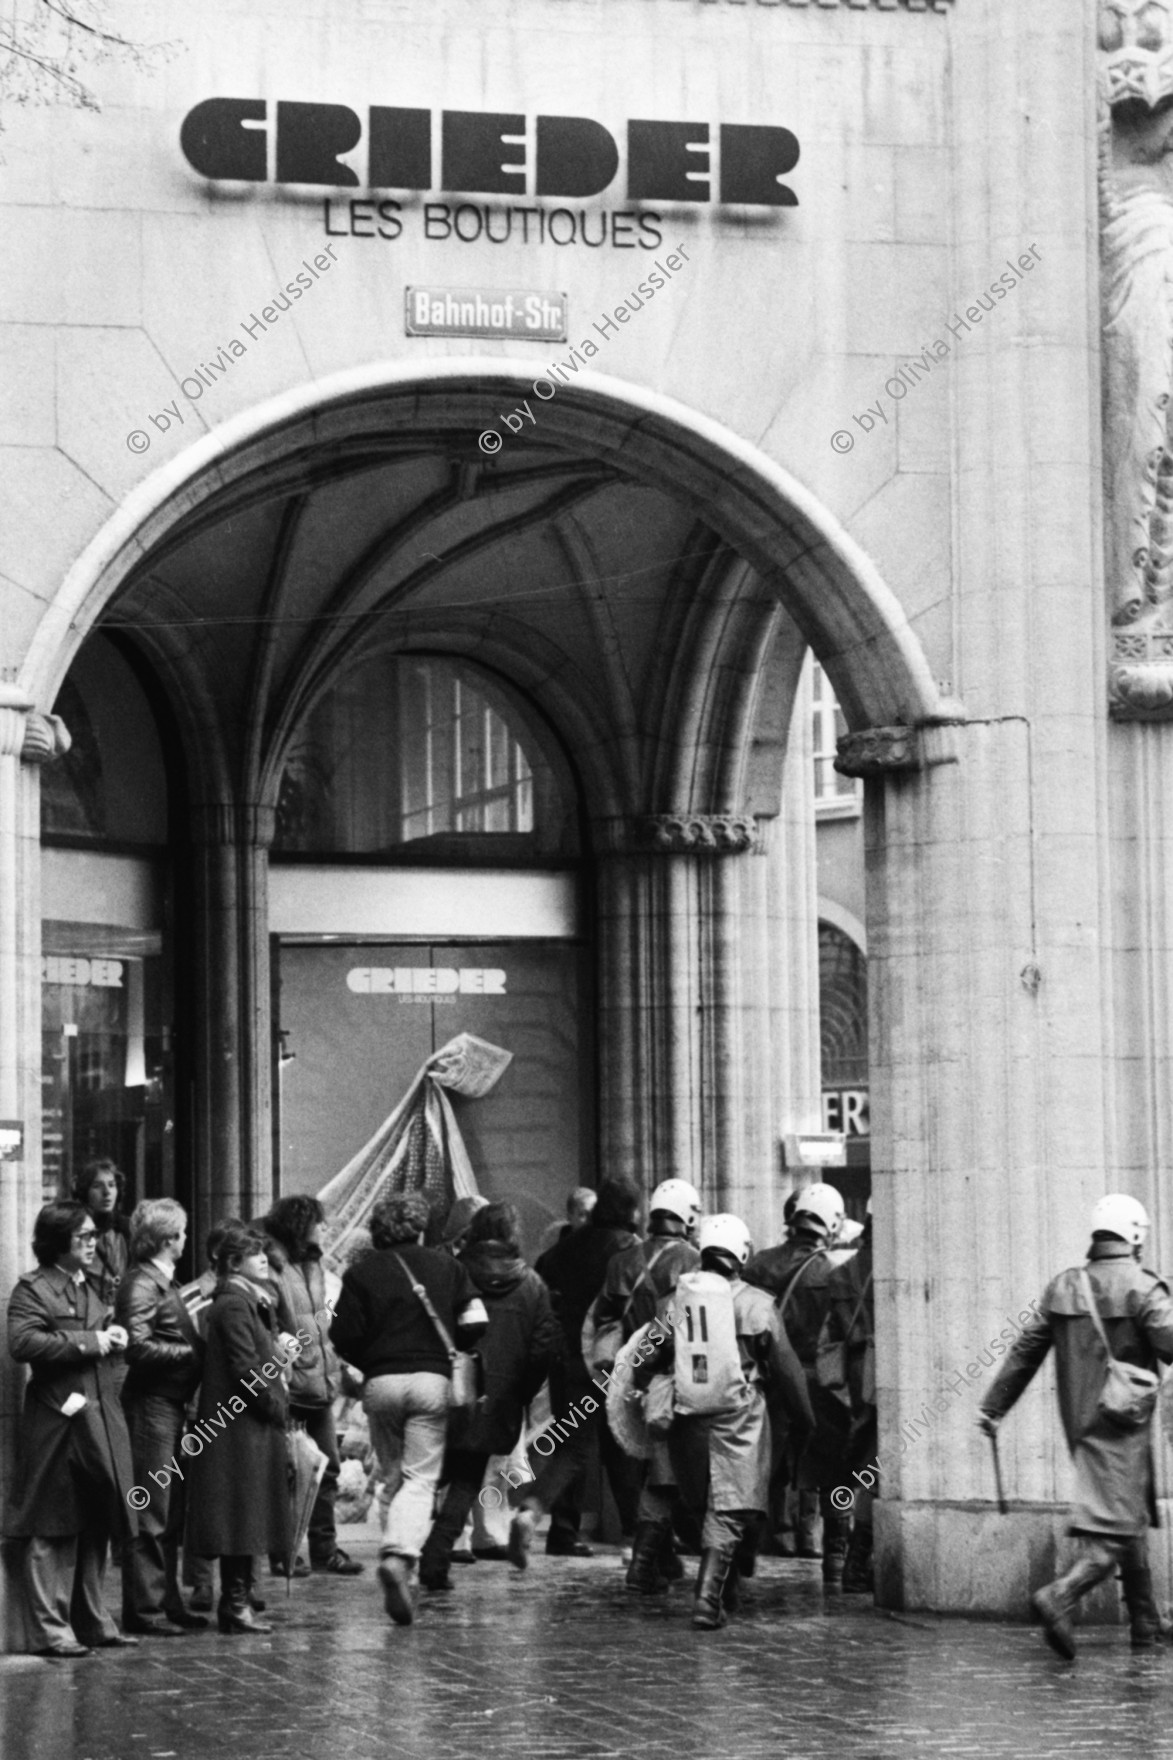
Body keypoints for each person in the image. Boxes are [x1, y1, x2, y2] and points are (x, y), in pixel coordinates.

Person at [979, 1193, 1173, 1658]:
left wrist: (994, 1407)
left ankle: (1145, 1620)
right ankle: (1060, 1595)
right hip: (1124, 1424)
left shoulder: (1065, 1286)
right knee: (1115, 1527)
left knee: (1124, 1515)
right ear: (1136, 1236)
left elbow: (1026, 1350)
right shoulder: (1145, 1288)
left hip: (1081, 1424)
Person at [640, 1212, 815, 1630]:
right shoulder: (758, 1304)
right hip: (740, 1419)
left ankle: (726, 1587)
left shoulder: (674, 1302)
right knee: (732, 1509)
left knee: (706, 1506)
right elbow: (788, 1370)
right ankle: (706, 1600)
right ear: (743, 1254)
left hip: (687, 1417)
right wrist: (804, 1420)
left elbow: (645, 1356)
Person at [329, 1190, 488, 1627]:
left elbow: (341, 1335)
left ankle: (407, 1574)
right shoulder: (449, 1267)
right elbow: (476, 1322)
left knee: (393, 1476)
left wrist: (374, 1361)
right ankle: (400, 1558)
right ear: (420, 1228)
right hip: (431, 1383)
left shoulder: (361, 1273)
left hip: (380, 1385)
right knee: (421, 1480)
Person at [5, 1202, 138, 1657]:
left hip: (98, 1417)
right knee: (53, 1521)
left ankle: (92, 1620)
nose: (92, 1243)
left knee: (97, 1518)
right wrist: (90, 1341)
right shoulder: (33, 1289)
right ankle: (51, 1629)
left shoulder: (89, 1285)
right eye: (82, 1236)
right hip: (59, 1420)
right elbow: (23, 1343)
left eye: (92, 1235)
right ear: (57, 1240)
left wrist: (111, 1337)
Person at [418, 1202, 561, 1591]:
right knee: (466, 1475)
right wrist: (518, 1394)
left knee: (427, 1472)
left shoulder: (451, 1272)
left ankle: (412, 1550)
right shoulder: (532, 1285)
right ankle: (434, 1555)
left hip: (446, 1387)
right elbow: (541, 1350)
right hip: (496, 1397)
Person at [511, 1177, 643, 1560]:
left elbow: (541, 1301)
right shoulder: (631, 1252)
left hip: (570, 1364)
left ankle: (539, 1514)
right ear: (632, 1211)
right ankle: (635, 1539)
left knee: (573, 1449)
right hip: (614, 1365)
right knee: (625, 1448)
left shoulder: (561, 1251)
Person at [586, 1178, 701, 1594]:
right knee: (668, 1473)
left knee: (640, 1467)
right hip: (671, 1377)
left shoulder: (622, 1260)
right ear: (688, 1217)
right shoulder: (692, 1259)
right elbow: (686, 1325)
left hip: (627, 1376)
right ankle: (649, 1560)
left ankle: (658, 1557)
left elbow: (603, 1318)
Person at [185, 1223, 295, 1635]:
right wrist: (272, 1404)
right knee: (241, 1513)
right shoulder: (233, 1301)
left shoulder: (249, 1298)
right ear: (233, 1263)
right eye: (253, 1253)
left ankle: (241, 1598)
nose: (263, 1258)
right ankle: (234, 1603)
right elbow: (244, 1365)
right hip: (241, 1424)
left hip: (250, 1423)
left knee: (249, 1511)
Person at [744, 1182, 857, 1583]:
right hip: (816, 1380)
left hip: (768, 1378)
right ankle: (833, 1554)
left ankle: (749, 1550)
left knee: (762, 1464)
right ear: (831, 1222)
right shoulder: (834, 1270)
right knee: (829, 1465)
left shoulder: (758, 1264)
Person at [117, 1198, 207, 1635]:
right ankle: (146, 1608)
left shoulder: (160, 1281)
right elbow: (135, 1346)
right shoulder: (143, 1283)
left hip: (167, 1403)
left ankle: (164, 1601)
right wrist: (189, 1352)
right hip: (153, 1404)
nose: (186, 1240)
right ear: (169, 1239)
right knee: (152, 1509)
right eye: (182, 1233)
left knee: (166, 1513)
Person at [262, 1195, 362, 1576]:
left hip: (318, 1378)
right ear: (301, 1224)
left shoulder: (314, 1264)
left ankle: (325, 1549)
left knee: (328, 1469)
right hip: (290, 1380)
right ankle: (284, 1551)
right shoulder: (273, 1267)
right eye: (319, 1222)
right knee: (290, 1472)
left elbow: (320, 1324)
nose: (325, 1229)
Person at [72, 1157, 131, 1307]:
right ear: (84, 1191)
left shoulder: (126, 1230)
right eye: (97, 1186)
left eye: (112, 1185)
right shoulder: (73, 1232)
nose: (107, 1192)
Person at [534, 1186, 597, 1263]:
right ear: (569, 1216)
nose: (590, 1220)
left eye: (594, 1214)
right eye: (582, 1214)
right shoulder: (556, 1251)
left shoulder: (605, 1245)